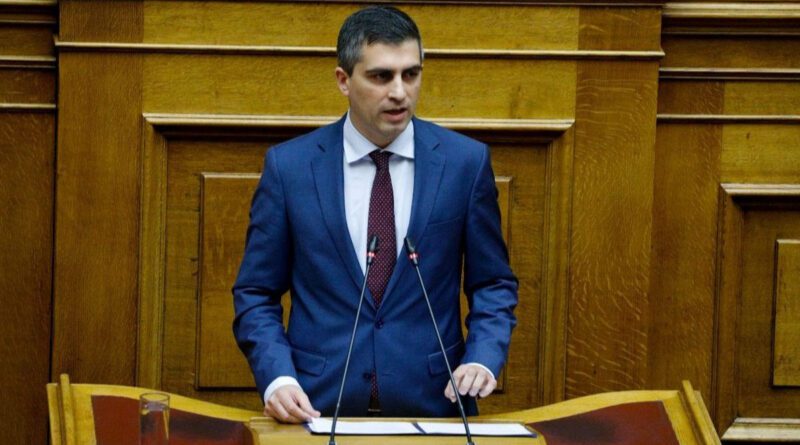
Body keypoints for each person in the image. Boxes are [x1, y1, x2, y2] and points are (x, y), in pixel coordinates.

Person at [232, 5, 517, 424]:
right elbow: (256, 292)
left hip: (433, 407)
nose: (400, 92)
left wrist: (482, 357)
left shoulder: (464, 164)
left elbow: (493, 282)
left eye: (411, 74)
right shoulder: (290, 168)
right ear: (343, 80)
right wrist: (278, 379)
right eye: (381, 76)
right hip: (316, 408)